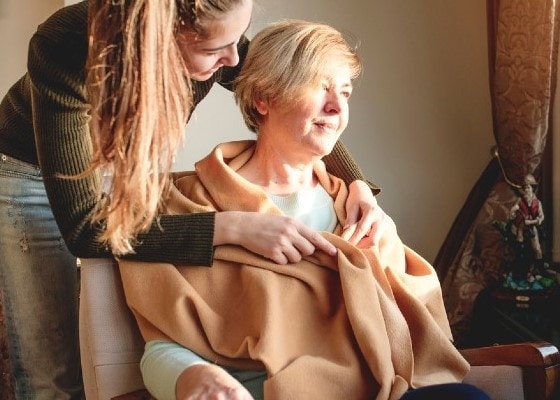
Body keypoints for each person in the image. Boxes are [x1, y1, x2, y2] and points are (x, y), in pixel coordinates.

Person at [0, 1, 385, 398]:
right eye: (215, 50)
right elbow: (85, 230)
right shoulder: (65, 45)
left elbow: (280, 91)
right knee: (53, 370)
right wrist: (234, 227)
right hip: (28, 172)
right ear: (163, 37)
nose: (234, 59)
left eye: (238, 39)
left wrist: (354, 181)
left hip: (115, 164)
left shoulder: (221, 39)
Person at [118, 20, 489, 400]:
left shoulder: (357, 210)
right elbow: (162, 345)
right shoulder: (193, 206)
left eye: (345, 92)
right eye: (320, 86)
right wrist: (194, 377)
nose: (337, 107)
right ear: (263, 98)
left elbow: (416, 325)